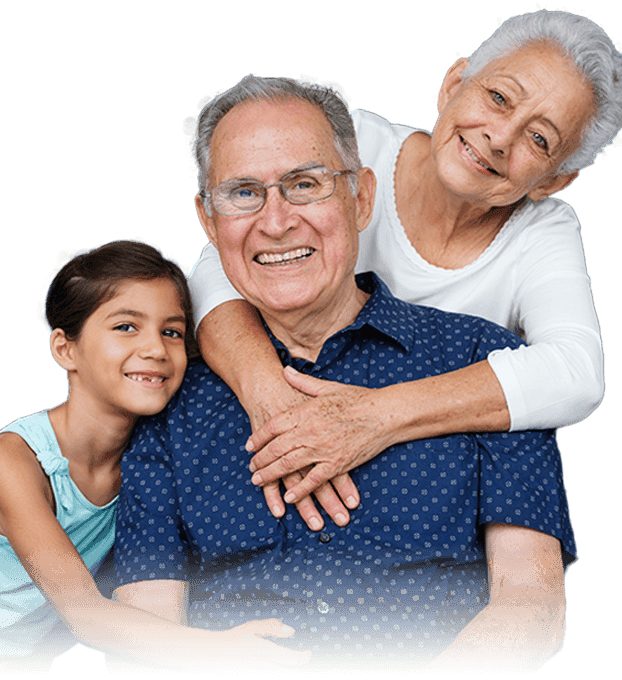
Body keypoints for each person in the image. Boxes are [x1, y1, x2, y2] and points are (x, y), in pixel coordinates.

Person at [114, 78, 574, 672]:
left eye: (305, 185)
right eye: (244, 193)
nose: (276, 222)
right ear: (208, 219)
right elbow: (143, 636)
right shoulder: (168, 401)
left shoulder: (490, 366)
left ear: (361, 200)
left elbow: (533, 610)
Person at [187, 10, 622, 527]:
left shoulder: (542, 233)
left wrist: (374, 417)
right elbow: (220, 265)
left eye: (540, 140)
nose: (500, 137)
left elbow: (574, 373)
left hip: (422, 499)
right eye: (498, 98)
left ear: (554, 180)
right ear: (453, 84)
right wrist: (272, 398)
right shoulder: (351, 145)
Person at [0, 240, 310, 673]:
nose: (156, 348)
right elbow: (84, 612)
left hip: (14, 658)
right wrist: (222, 650)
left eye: (170, 331)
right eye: (126, 327)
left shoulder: (152, 459)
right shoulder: (14, 462)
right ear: (66, 349)